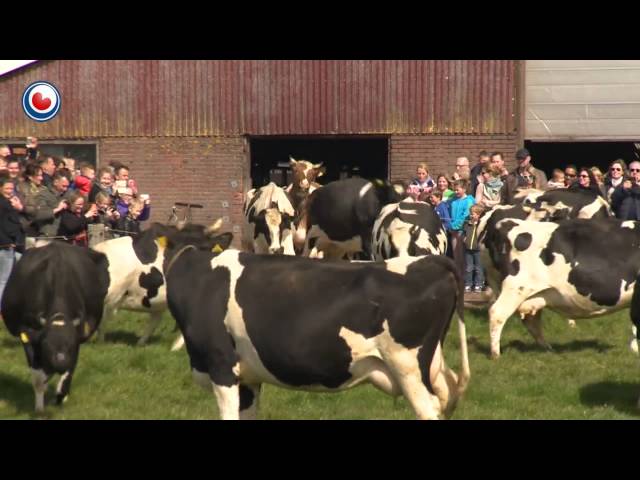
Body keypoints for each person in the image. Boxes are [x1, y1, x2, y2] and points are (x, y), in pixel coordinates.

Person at [0, 177, 25, 303]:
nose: (10, 191)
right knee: (4, 279)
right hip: (5, 246)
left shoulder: (8, 203)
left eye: (12, 188)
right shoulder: (5, 205)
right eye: (7, 188)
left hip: (8, 245)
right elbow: (10, 225)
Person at [33, 172, 71, 244]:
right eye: (63, 186)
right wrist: (57, 209)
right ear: (56, 182)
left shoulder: (68, 193)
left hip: (64, 236)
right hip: (48, 235)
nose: (65, 189)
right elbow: (39, 215)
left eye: (67, 186)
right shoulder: (43, 195)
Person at [463, 204, 485, 293]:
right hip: (468, 249)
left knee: (478, 268)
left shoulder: (481, 224)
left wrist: (476, 223)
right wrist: (464, 239)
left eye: (473, 214)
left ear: (479, 215)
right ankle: (468, 284)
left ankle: (478, 284)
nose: (471, 215)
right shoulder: (467, 223)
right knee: (469, 267)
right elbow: (465, 231)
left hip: (477, 250)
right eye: (471, 213)